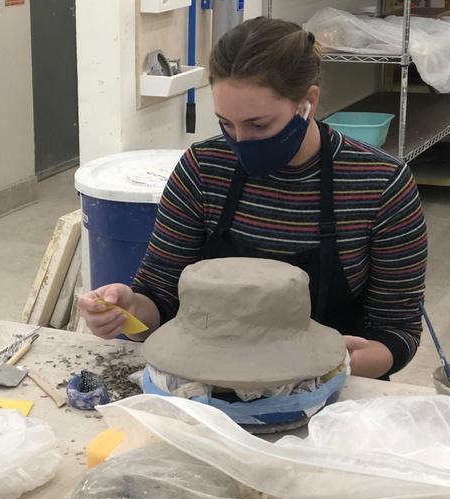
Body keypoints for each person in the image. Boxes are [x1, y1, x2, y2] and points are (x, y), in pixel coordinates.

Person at [77, 16, 427, 380]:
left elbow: (398, 333)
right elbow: (160, 301)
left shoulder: (379, 183)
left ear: (308, 102)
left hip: (332, 393)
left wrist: (327, 368)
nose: (240, 139)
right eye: (226, 123)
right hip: (209, 384)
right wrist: (129, 310)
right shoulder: (204, 168)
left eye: (259, 125)